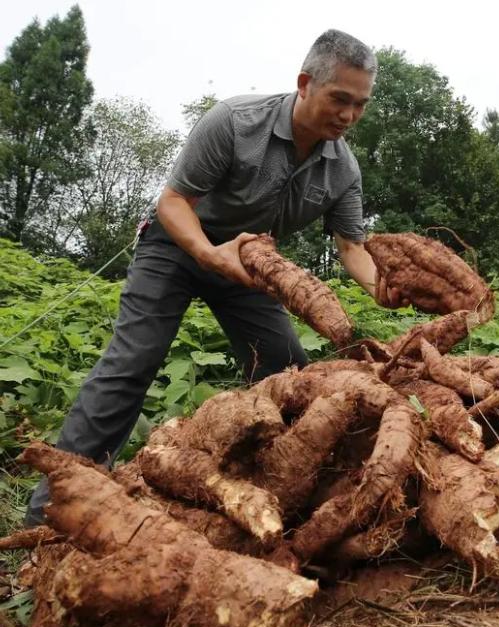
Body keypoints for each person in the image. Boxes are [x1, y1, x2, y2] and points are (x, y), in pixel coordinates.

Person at [25, 29, 397, 525]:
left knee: (289, 370)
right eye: (340, 99)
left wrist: (384, 287)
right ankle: (53, 511)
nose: (349, 116)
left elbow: (352, 247)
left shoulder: (342, 169)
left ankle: (273, 493)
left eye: (361, 105)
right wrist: (207, 252)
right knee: (133, 362)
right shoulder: (236, 121)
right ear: (306, 83)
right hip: (176, 246)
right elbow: (174, 201)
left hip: (249, 263)